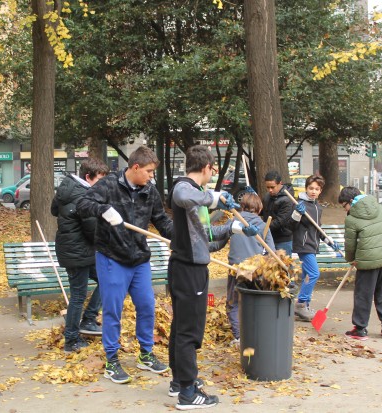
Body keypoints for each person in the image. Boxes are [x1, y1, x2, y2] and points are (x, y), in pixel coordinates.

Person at [167, 145, 259, 410]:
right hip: (188, 269)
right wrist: (215, 196)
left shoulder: (197, 197)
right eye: (212, 170)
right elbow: (183, 195)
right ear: (207, 167)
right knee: (189, 331)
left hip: (191, 265)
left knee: (180, 328)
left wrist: (234, 228)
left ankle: (179, 381)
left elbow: (206, 238)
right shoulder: (185, 188)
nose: (212, 175)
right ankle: (187, 392)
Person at [76, 146, 174, 384]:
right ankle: (111, 360)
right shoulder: (109, 185)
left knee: (147, 306)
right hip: (112, 257)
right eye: (149, 171)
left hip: (139, 258)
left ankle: (146, 354)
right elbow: (82, 205)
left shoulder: (149, 191)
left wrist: (177, 238)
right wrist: (103, 209)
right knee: (113, 310)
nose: (152, 176)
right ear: (135, 167)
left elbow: (161, 219)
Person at [51, 158, 110, 353]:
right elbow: (92, 230)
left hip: (76, 250)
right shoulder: (84, 197)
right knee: (78, 295)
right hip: (78, 252)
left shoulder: (66, 188)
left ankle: (89, 319)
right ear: (88, 177)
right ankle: (71, 339)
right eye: (100, 180)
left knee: (107, 279)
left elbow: (53, 210)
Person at [338, 187, 382, 340]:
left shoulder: (352, 219)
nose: (344, 209)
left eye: (344, 205)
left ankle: (360, 329)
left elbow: (350, 245)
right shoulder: (380, 208)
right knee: (381, 290)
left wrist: (351, 259)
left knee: (363, 294)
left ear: (351, 202)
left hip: (366, 261)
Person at [226, 193, 275, 347]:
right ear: (259, 209)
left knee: (233, 303)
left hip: (235, 268)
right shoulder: (262, 226)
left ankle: (240, 337)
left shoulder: (233, 221)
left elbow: (219, 240)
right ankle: (255, 333)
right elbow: (271, 251)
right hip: (254, 270)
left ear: (242, 207)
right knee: (252, 301)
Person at [289, 174, 339, 321]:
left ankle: (306, 307)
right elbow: (291, 225)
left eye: (317, 189)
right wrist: (297, 213)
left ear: (320, 191)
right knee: (314, 273)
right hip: (303, 245)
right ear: (306, 188)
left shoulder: (317, 207)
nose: (313, 191)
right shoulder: (298, 203)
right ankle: (301, 303)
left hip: (313, 244)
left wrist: (328, 240)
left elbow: (318, 228)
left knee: (307, 276)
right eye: (311, 188)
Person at [262, 171, 294, 256]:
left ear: (280, 183)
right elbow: (262, 211)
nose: (270, 190)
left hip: (283, 239)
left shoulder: (287, 199)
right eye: (267, 187)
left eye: (272, 187)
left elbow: (280, 221)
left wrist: (262, 228)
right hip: (269, 238)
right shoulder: (267, 196)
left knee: (284, 266)